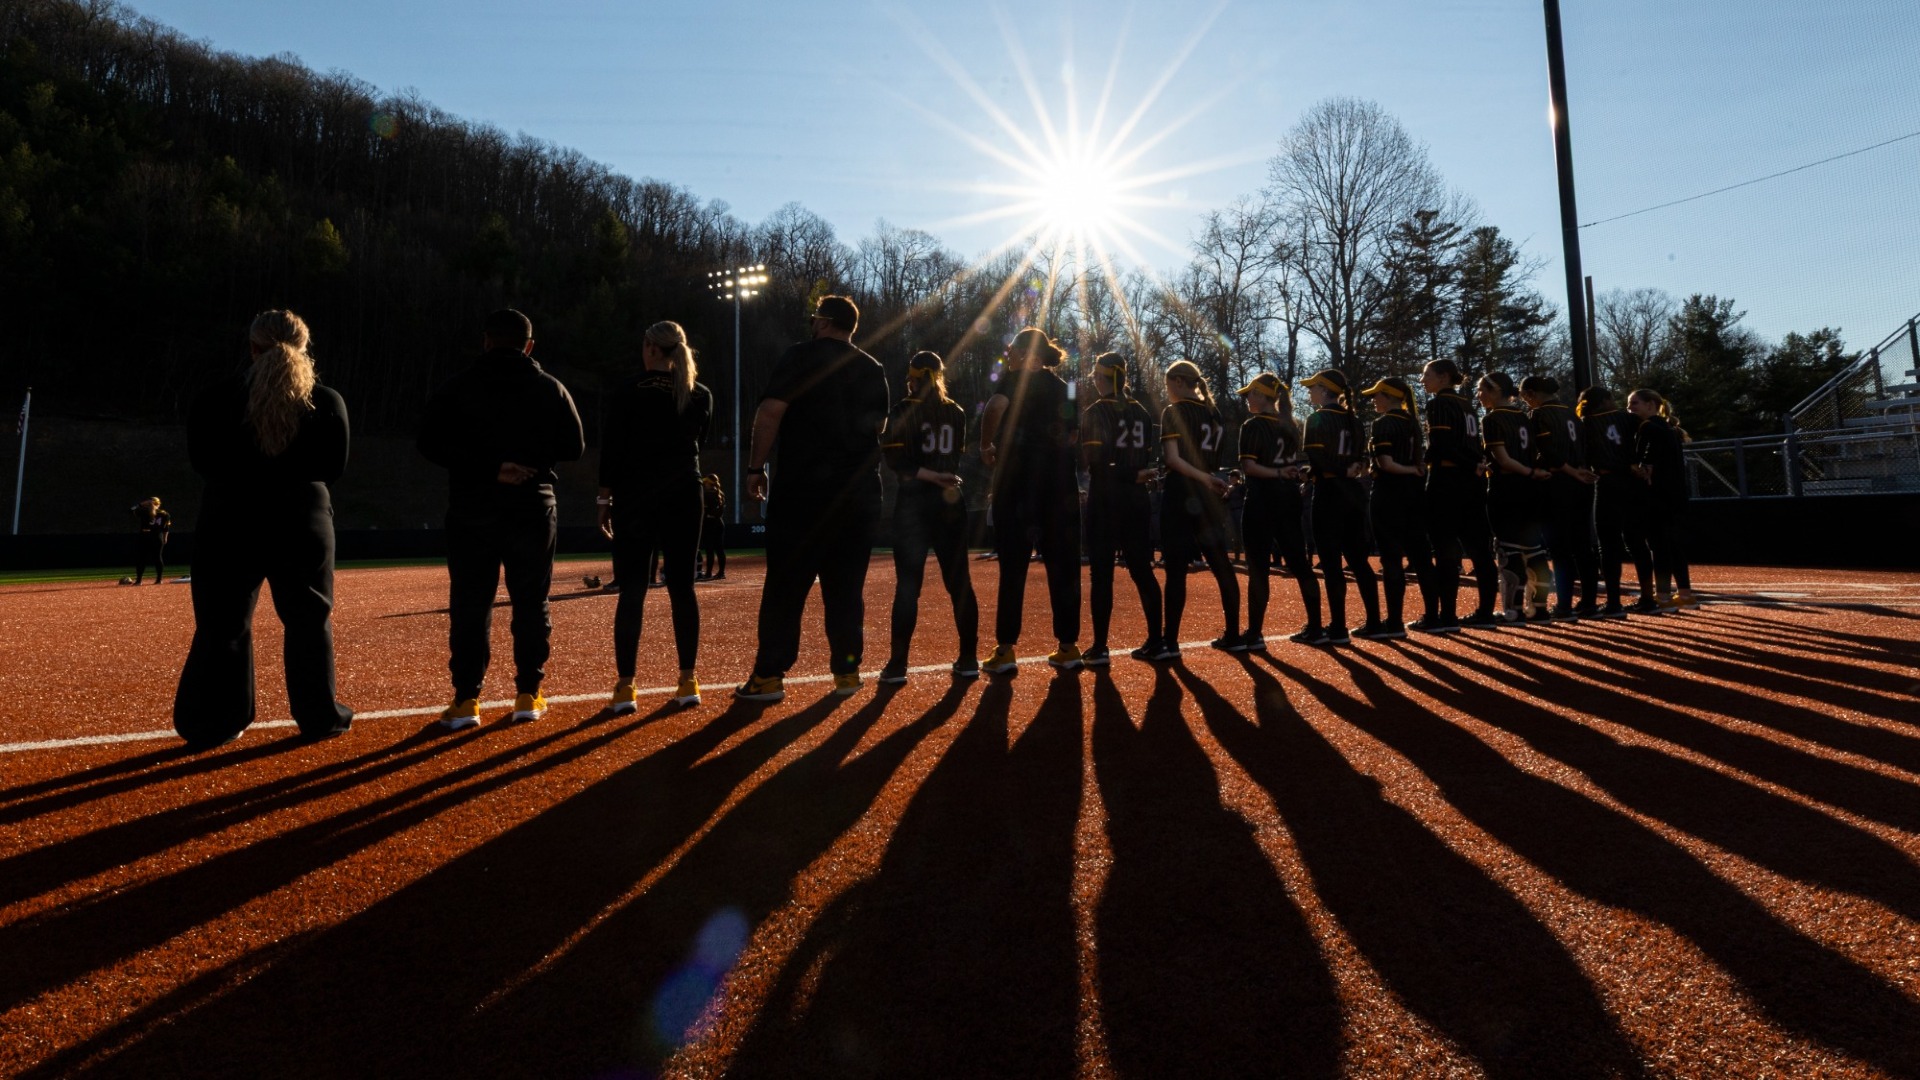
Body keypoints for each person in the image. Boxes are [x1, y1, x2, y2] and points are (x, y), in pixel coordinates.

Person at [173, 310, 353, 749]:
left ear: (252, 348)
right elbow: (333, 467)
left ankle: (217, 720)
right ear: (304, 346)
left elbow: (202, 463)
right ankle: (319, 716)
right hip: (302, 518)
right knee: (309, 620)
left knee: (223, 622)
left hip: (229, 517)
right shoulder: (326, 401)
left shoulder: (214, 399)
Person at [418, 309, 585, 729]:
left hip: (473, 507)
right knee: (532, 601)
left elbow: (428, 442)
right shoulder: (549, 387)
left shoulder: (459, 386)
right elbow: (575, 446)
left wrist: (490, 466)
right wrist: (527, 459)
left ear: (487, 340)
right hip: (532, 505)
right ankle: (529, 693)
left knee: (471, 603)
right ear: (529, 345)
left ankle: (466, 700)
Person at [735, 295, 889, 702]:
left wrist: (755, 468)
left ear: (823, 322)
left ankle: (769, 676)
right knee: (846, 587)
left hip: (804, 492)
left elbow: (770, 412)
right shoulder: (873, 368)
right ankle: (847, 674)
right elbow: (880, 427)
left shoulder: (800, 356)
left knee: (786, 584)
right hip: (858, 495)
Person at [598, 321, 711, 713]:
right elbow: (699, 441)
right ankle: (688, 680)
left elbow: (612, 448)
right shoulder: (700, 394)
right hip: (684, 495)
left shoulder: (629, 390)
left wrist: (603, 498)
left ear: (650, 348)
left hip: (636, 497)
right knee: (683, 588)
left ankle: (626, 687)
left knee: (632, 591)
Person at [979, 328, 1083, 673]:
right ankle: (1068, 647)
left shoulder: (1015, 379)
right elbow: (1072, 435)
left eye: (1013, 350)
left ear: (1028, 355)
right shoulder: (1066, 388)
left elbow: (995, 406)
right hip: (1059, 486)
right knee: (1063, 566)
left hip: (1019, 481)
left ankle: (1006, 650)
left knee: (1013, 566)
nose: (1008, 356)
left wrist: (986, 445)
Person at [878, 351, 979, 682]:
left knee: (908, 586)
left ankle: (897, 665)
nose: (908, 382)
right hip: (950, 501)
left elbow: (897, 463)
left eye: (912, 377)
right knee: (959, 583)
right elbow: (953, 459)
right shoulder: (957, 413)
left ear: (919, 377)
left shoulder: (902, 411)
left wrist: (929, 476)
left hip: (914, 505)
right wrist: (938, 477)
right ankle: (968, 658)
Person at [1081, 353, 1164, 663]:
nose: (1092, 379)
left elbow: (1097, 466)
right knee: (1142, 570)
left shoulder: (1095, 412)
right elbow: (1144, 459)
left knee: (1102, 574)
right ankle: (1156, 640)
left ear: (1103, 378)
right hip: (1137, 499)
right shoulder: (1141, 412)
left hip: (1106, 498)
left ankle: (1101, 646)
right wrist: (1135, 474)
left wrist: (1127, 474)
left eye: (1095, 375)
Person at [1158, 359, 1241, 655]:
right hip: (1208, 493)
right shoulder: (1214, 413)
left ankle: (1170, 642)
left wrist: (1203, 477)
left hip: (1183, 491)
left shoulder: (1175, 411)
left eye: (1169, 385)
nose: (1167, 391)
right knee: (1221, 563)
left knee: (1176, 569)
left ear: (1179, 382)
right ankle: (1234, 633)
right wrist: (1209, 477)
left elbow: (1173, 460)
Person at [1235, 371, 1320, 647]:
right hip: (1288, 498)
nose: (1248, 397)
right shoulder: (1291, 425)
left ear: (1262, 395)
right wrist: (1284, 474)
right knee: (1299, 563)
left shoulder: (1253, 425)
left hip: (1262, 498)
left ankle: (1254, 633)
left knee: (1258, 567)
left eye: (1252, 393)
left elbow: (1249, 467)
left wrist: (1278, 473)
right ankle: (1316, 627)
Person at [1301, 369, 1381, 644]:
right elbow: (1359, 461)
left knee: (1332, 565)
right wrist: (1350, 470)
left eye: (1313, 387)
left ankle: (1338, 628)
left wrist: (1334, 471)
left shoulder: (1317, 418)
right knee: (1359, 562)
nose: (1309, 391)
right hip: (1352, 494)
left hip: (1329, 493)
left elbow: (1317, 459)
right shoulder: (1355, 421)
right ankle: (1374, 622)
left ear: (1325, 390)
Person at [1419, 359, 1497, 630]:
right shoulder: (1468, 405)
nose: (1422, 380)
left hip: (1448, 480)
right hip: (1472, 482)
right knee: (1480, 549)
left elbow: (1442, 445)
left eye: (1426, 374)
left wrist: (1427, 457)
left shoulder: (1439, 403)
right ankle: (1486, 612)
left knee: (1445, 549)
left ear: (1443, 377)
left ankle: (1447, 616)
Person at [1360, 376, 1437, 638]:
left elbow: (1385, 463)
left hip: (1390, 493)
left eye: (1377, 395)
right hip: (1415, 494)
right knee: (1422, 556)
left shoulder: (1384, 423)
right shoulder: (1412, 422)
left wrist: (1407, 470)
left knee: (1391, 557)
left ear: (1390, 396)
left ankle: (1394, 623)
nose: (1373, 400)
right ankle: (1433, 616)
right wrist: (1415, 471)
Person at [1520, 375, 1598, 618]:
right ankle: (1589, 602)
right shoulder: (1572, 414)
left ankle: (1564, 604)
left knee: (1560, 548)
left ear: (1531, 393)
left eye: (1525, 396)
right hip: (1582, 482)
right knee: (1583, 545)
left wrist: (1569, 470)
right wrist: (1581, 469)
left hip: (1558, 483)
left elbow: (1547, 450)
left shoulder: (1540, 414)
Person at [1478, 372, 1551, 622]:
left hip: (1507, 488)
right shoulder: (1523, 416)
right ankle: (1539, 607)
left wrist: (1528, 470)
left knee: (1509, 549)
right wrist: (1533, 473)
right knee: (1534, 550)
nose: (1479, 396)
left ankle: (1513, 610)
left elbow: (1504, 460)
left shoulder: (1493, 419)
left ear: (1496, 391)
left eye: (1483, 390)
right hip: (1532, 488)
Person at [1577, 385, 1645, 617]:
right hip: (1633, 482)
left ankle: (1614, 602)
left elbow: (1583, 456)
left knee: (1609, 544)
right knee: (1637, 540)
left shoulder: (1585, 423)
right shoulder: (1629, 418)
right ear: (1605, 400)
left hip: (1607, 482)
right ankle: (1649, 598)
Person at [1629, 388, 1695, 611]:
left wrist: (1633, 467)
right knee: (1674, 545)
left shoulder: (1648, 427)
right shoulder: (1670, 428)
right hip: (1676, 495)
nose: (1630, 409)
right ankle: (1685, 593)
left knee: (1659, 546)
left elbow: (1645, 458)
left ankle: (1663, 596)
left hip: (1657, 495)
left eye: (1634, 403)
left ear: (1650, 404)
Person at [129, 496, 171, 585]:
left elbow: (131, 509)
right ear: (158, 504)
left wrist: (140, 504)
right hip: (156, 537)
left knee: (142, 558)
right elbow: (166, 528)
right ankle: (159, 580)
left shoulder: (144, 511)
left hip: (146, 536)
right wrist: (165, 538)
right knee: (157, 558)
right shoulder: (164, 514)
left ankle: (139, 581)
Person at [699, 474, 727, 580]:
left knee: (709, 549)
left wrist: (707, 515)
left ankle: (708, 573)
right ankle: (721, 573)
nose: (704, 485)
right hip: (719, 524)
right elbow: (719, 513)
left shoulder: (705, 495)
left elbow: (706, 513)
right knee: (719, 549)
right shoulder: (720, 494)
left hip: (709, 525)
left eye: (705, 483)